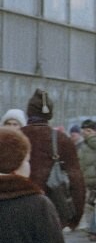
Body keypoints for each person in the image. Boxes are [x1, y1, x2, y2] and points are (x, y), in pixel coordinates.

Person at [20, 89, 85, 232]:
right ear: (49, 114)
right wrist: (75, 216)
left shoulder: (14, 137)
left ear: (28, 112)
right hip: (52, 210)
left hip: (15, 209)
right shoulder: (62, 140)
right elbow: (76, 179)